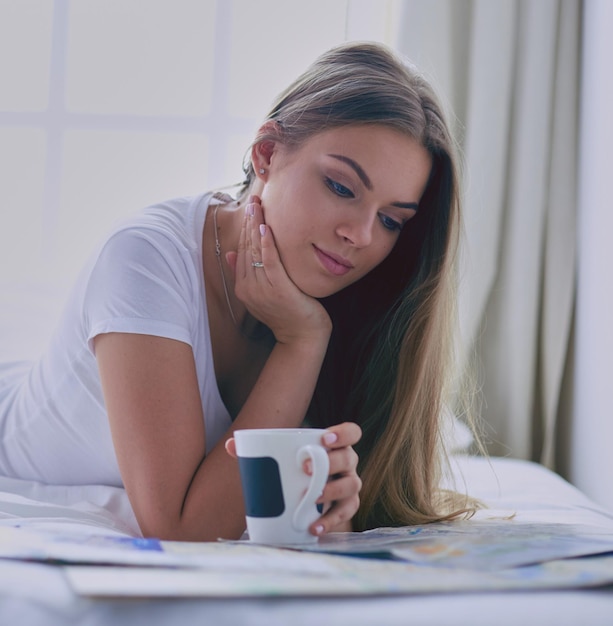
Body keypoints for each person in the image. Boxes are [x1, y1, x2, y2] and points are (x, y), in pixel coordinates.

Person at [0, 41, 477, 541]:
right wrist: (303, 341)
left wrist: (341, 502)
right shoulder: (144, 258)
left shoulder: (366, 299)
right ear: (267, 153)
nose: (360, 235)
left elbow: (350, 507)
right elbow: (181, 528)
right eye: (341, 187)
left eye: (390, 220)